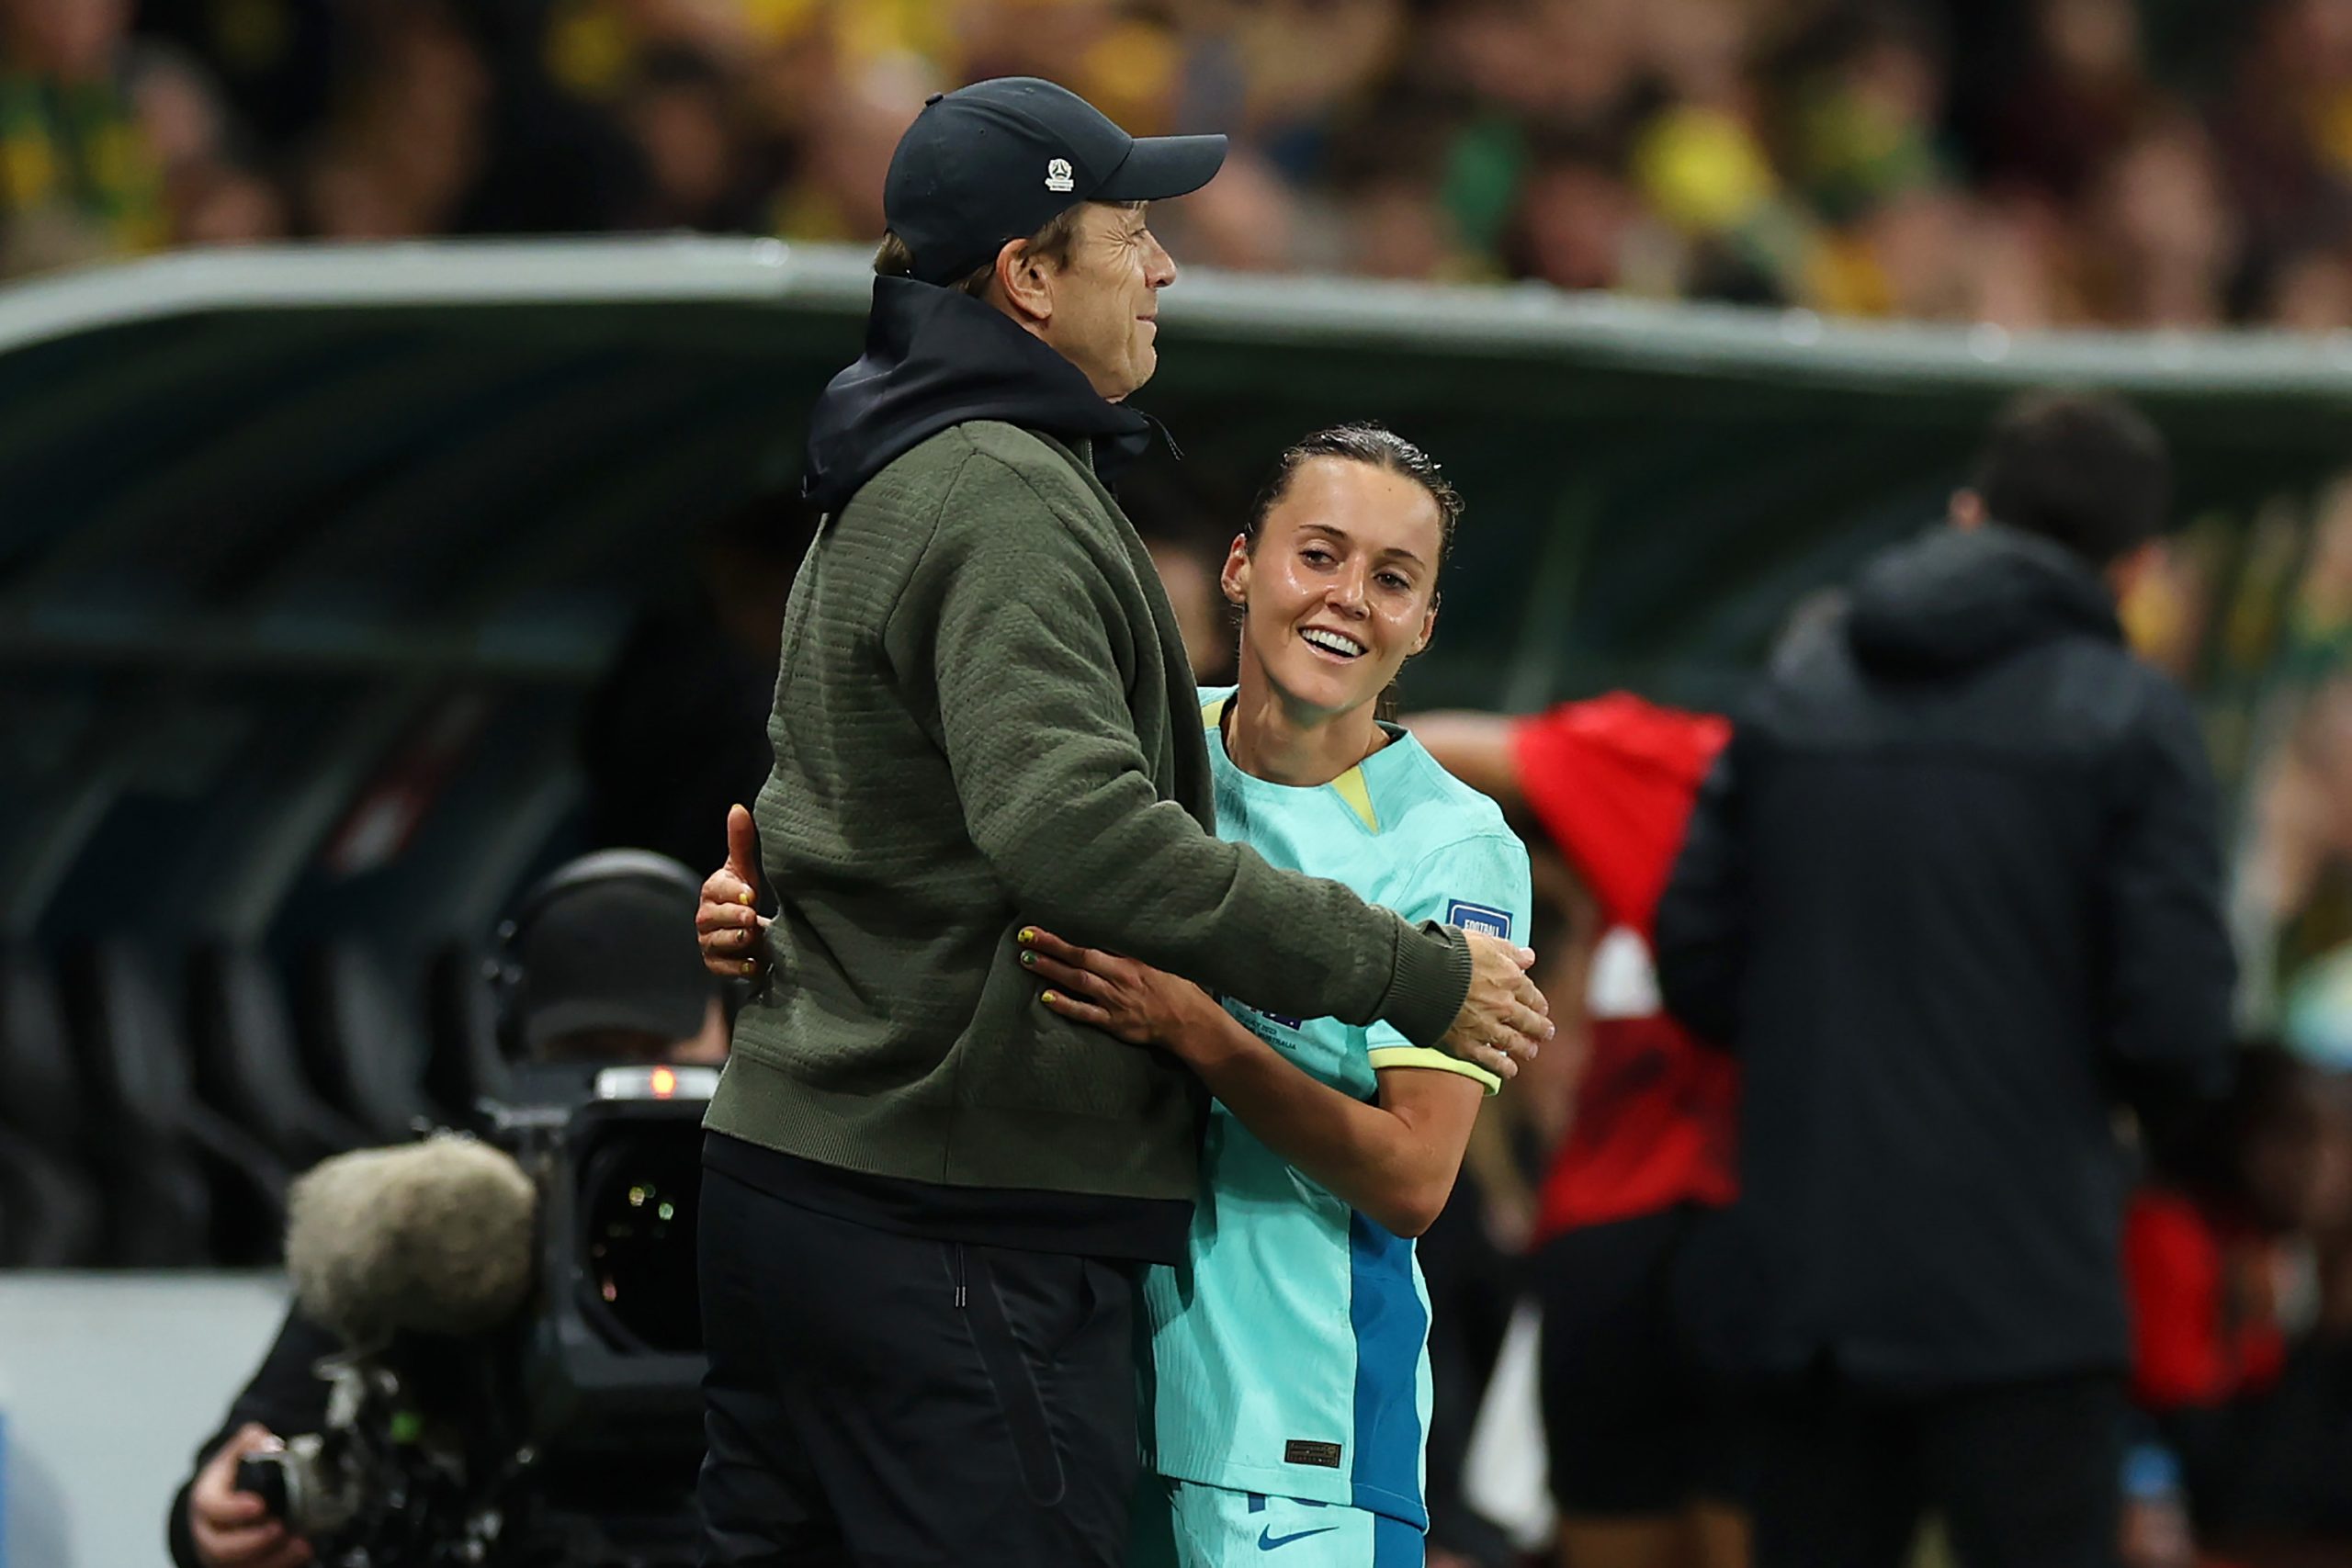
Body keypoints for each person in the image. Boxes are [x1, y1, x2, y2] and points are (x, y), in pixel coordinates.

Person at [689, 77, 1548, 1568]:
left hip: (809, 1181)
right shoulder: (1006, 492)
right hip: (951, 1213)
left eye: (1392, 576)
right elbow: (1071, 831)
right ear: (1028, 275)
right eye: (1132, 235)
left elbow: (844, 803)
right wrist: (1411, 972)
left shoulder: (881, 459)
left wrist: (784, 924)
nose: (1162, 269)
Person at [1654, 390, 2238, 1568]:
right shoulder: (2132, 720)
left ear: (1970, 514)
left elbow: (1696, 964)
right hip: (2027, 1305)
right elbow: (2176, 1027)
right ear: (2139, 566)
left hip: (1807, 1292)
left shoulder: (1799, 690)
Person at [1007, 424, 1531, 1568]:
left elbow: (1412, 1179)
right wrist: (776, 929)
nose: (1349, 599)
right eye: (1321, 555)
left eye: (1393, 580)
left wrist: (1201, 1032)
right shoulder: (1138, 753)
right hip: (1085, 1404)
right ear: (1242, 568)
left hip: (1301, 1444)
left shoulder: (1455, 846)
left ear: (1423, 627)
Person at [169, 850, 733, 1568]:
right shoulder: (441, 1222)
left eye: (655, 1049)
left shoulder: (797, 1209)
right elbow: (229, 1483)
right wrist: (214, 1518)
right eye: (583, 1051)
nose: (617, 1080)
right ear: (516, 1044)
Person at [1412, 694, 1747, 1568]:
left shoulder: (1690, 759)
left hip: (1622, 1244)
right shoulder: (1733, 771)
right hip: (1740, 1241)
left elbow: (1416, 744)